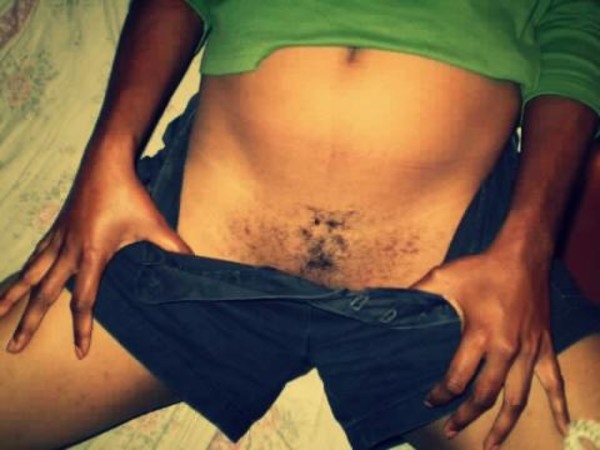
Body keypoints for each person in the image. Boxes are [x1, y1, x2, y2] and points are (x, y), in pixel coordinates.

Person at [1, 0, 599, 449]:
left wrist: (527, 245)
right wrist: (107, 156)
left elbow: (577, 33)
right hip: (182, 249)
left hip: (462, 294)